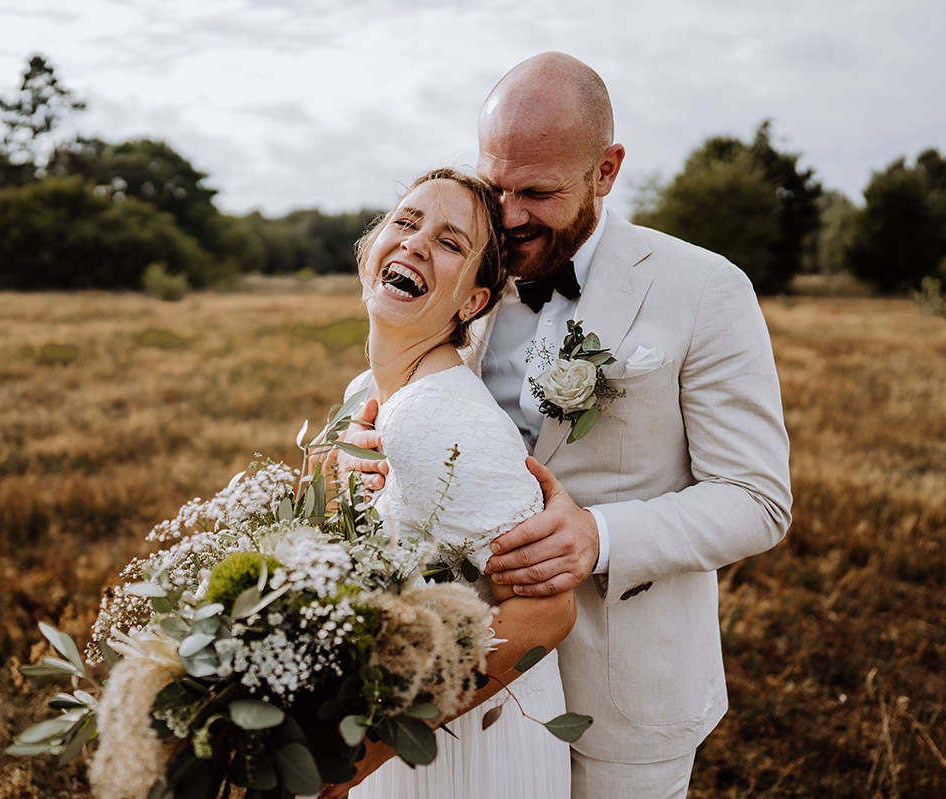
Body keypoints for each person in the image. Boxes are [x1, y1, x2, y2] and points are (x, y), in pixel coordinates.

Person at [340, 53, 793, 798]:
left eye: (539, 192)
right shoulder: (470, 269)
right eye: (497, 186)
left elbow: (757, 498)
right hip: (464, 684)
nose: (510, 215)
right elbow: (403, 376)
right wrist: (366, 445)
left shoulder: (704, 288)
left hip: (624, 695)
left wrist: (599, 536)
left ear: (606, 171)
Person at [321, 168, 578, 799]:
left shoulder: (442, 414)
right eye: (406, 223)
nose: (413, 242)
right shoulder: (370, 396)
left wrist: (365, 752)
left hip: (452, 752)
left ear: (473, 301)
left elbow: (548, 612)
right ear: (370, 251)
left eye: (449, 242)